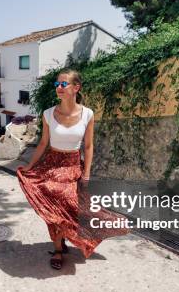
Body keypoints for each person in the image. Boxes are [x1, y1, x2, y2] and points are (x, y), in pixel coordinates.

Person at [16, 68, 131, 270]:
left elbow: (88, 146)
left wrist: (86, 174)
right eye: (56, 85)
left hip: (71, 165)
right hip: (51, 164)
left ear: (76, 87)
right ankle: (59, 248)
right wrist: (30, 166)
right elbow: (43, 143)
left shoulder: (87, 114)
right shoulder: (48, 113)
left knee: (71, 203)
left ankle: (106, 224)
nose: (58, 88)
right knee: (52, 204)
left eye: (63, 84)